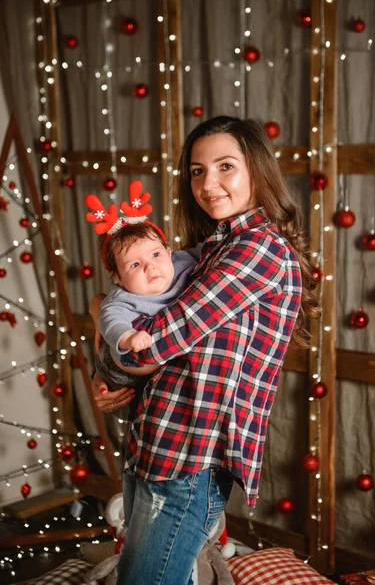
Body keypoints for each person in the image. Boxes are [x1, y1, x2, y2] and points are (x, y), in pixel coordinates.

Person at [91, 115, 319, 585]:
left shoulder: (255, 250)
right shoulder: (211, 248)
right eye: (197, 171)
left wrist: (101, 318)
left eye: (225, 166)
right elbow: (145, 330)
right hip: (155, 443)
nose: (209, 184)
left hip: (187, 457)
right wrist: (112, 331)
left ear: (256, 170)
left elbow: (148, 345)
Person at [85, 185, 201, 418]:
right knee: (124, 400)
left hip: (161, 367)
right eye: (134, 265)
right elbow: (110, 321)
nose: (150, 266)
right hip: (121, 372)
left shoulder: (184, 262)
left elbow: (208, 250)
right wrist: (128, 337)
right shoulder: (122, 299)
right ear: (118, 277)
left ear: (168, 251)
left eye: (156, 254)